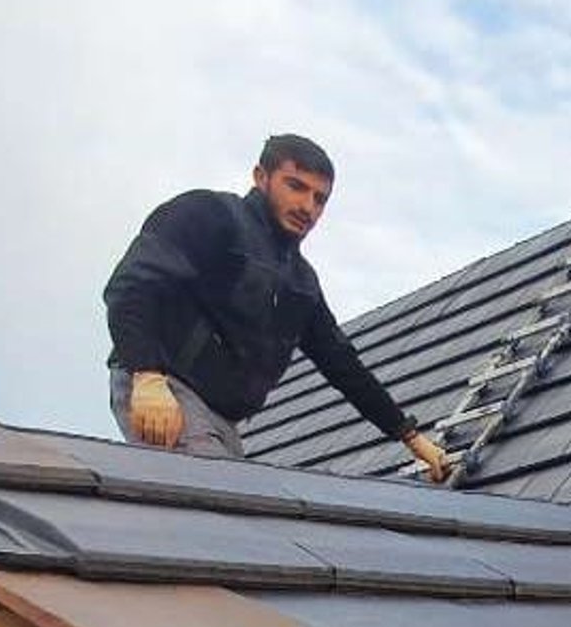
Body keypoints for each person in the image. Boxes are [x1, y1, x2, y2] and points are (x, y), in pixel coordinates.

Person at [103, 132, 450, 480]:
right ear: (261, 176)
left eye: (319, 199)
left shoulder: (301, 282)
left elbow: (343, 364)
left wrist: (409, 436)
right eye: (295, 186)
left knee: (240, 510)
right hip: (165, 389)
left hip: (221, 419)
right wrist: (147, 376)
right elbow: (131, 286)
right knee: (219, 505)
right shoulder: (208, 215)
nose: (307, 207)